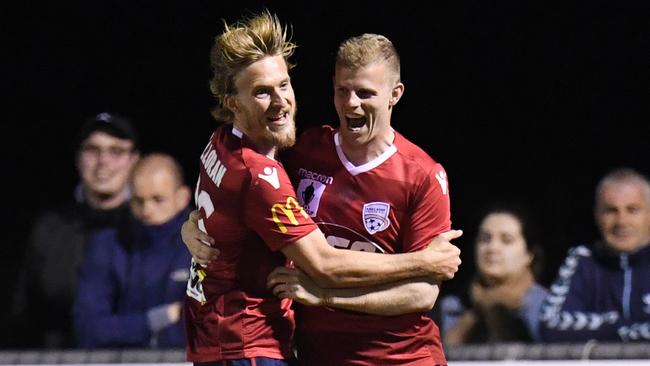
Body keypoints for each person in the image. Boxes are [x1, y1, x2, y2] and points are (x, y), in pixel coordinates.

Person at [181, 11, 462, 366]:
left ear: (395, 94)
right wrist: (193, 226)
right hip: (298, 352)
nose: (351, 103)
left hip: (400, 358)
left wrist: (325, 296)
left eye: (365, 93)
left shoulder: (423, 175)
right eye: (342, 91)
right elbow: (319, 259)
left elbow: (422, 294)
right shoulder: (301, 152)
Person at [9, 112, 140, 349]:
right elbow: (22, 313)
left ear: (134, 160)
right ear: (78, 158)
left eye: (116, 151)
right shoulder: (49, 228)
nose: (103, 161)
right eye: (92, 150)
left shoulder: (152, 227)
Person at [73, 152, 192, 348]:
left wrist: (127, 330)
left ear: (182, 197)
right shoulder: (107, 245)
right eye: (139, 200)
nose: (147, 209)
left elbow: (212, 328)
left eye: (158, 199)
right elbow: (88, 328)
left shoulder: (209, 245)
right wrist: (159, 318)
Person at [539, 167, 650, 342]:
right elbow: (550, 325)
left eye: (633, 210)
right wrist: (625, 328)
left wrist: (601, 329)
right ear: (596, 215)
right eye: (611, 211)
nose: (621, 221)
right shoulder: (583, 260)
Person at [436, 202, 549, 345]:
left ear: (530, 254)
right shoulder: (452, 306)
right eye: (485, 239)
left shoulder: (547, 307)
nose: (492, 248)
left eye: (507, 240)